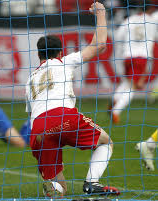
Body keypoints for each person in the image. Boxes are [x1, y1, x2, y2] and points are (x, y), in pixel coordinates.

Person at [25, 2, 120, 197]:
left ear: (38, 55)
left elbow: (31, 115)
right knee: (105, 142)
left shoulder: (30, 79)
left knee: (61, 189)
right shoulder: (63, 62)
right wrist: (101, 13)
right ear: (60, 53)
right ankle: (92, 183)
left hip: (38, 130)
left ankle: (54, 188)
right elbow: (100, 45)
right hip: (63, 117)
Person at [109, 1, 157, 124]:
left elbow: (118, 36)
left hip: (127, 56)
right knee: (133, 88)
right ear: (151, 8)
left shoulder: (129, 20)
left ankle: (114, 101)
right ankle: (116, 111)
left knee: (126, 82)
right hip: (142, 57)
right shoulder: (153, 20)